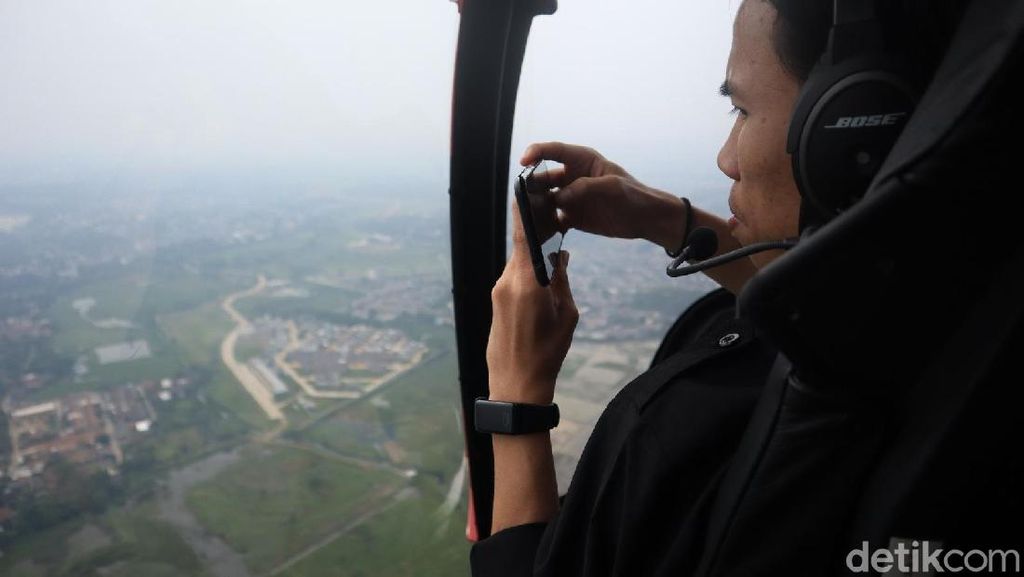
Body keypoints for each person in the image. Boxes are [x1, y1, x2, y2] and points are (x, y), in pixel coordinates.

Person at [471, 0, 963, 575]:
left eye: (742, 109)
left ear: (851, 124)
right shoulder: (925, 326)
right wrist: (673, 223)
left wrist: (516, 397)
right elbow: (808, 326)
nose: (725, 158)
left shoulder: (707, 440)